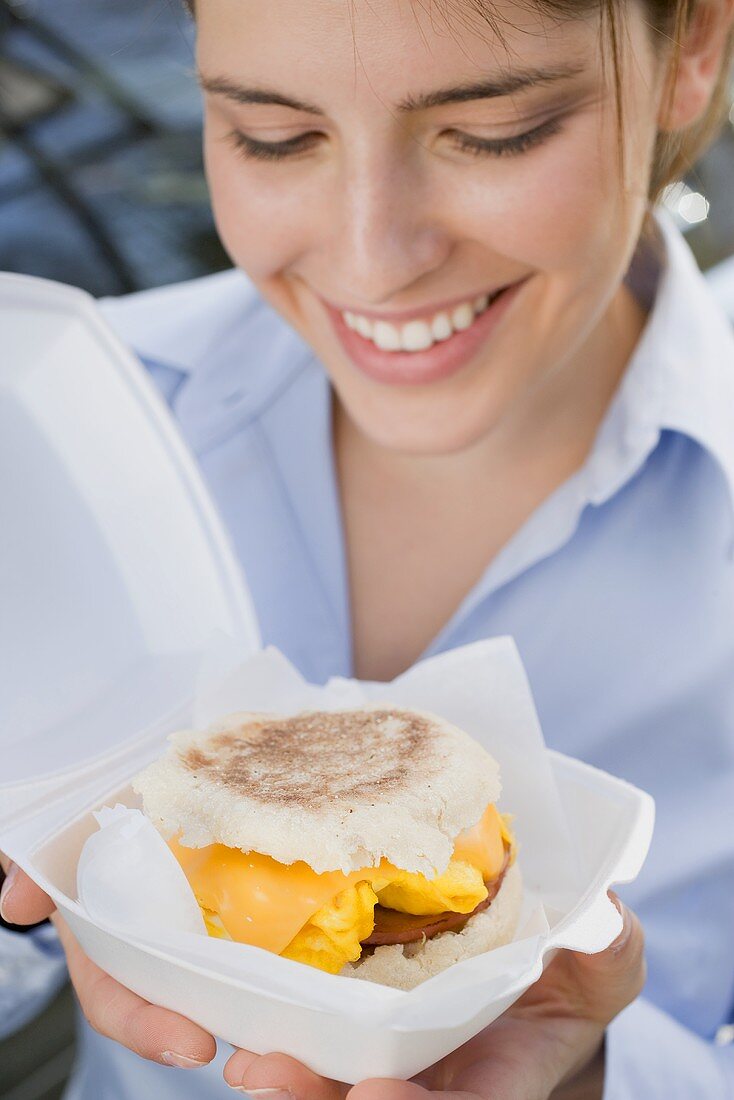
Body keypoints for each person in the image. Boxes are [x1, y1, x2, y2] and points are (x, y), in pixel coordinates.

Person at [2, 0, 734, 1096]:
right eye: (274, 137)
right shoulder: (57, 433)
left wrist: (591, 1074)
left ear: (691, 49)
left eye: (492, 133)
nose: (373, 262)